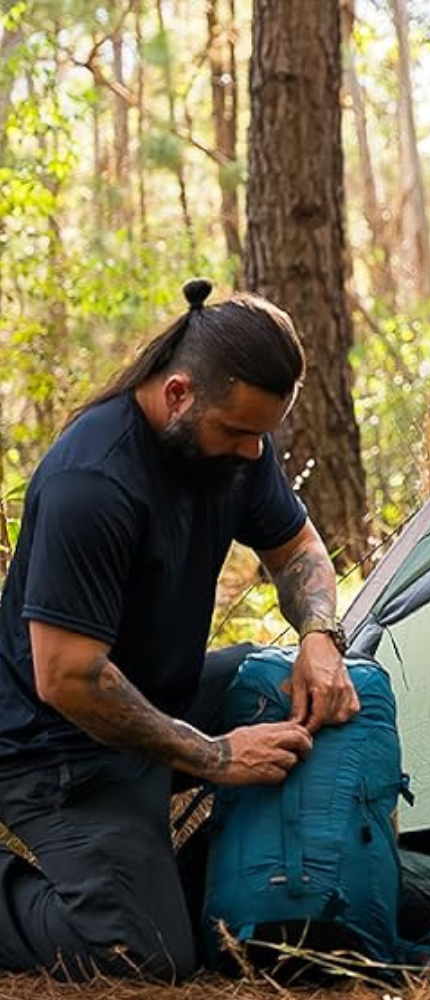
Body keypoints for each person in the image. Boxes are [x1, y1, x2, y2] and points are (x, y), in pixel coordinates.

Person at [0, 278, 361, 981]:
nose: (254, 452)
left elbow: (299, 550)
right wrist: (217, 757)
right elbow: (67, 677)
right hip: (58, 748)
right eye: (238, 432)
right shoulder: (92, 483)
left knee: (322, 696)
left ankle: (218, 883)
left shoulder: (235, 447)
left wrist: (321, 637)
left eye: (263, 434)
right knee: (145, 956)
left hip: (163, 698)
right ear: (178, 394)